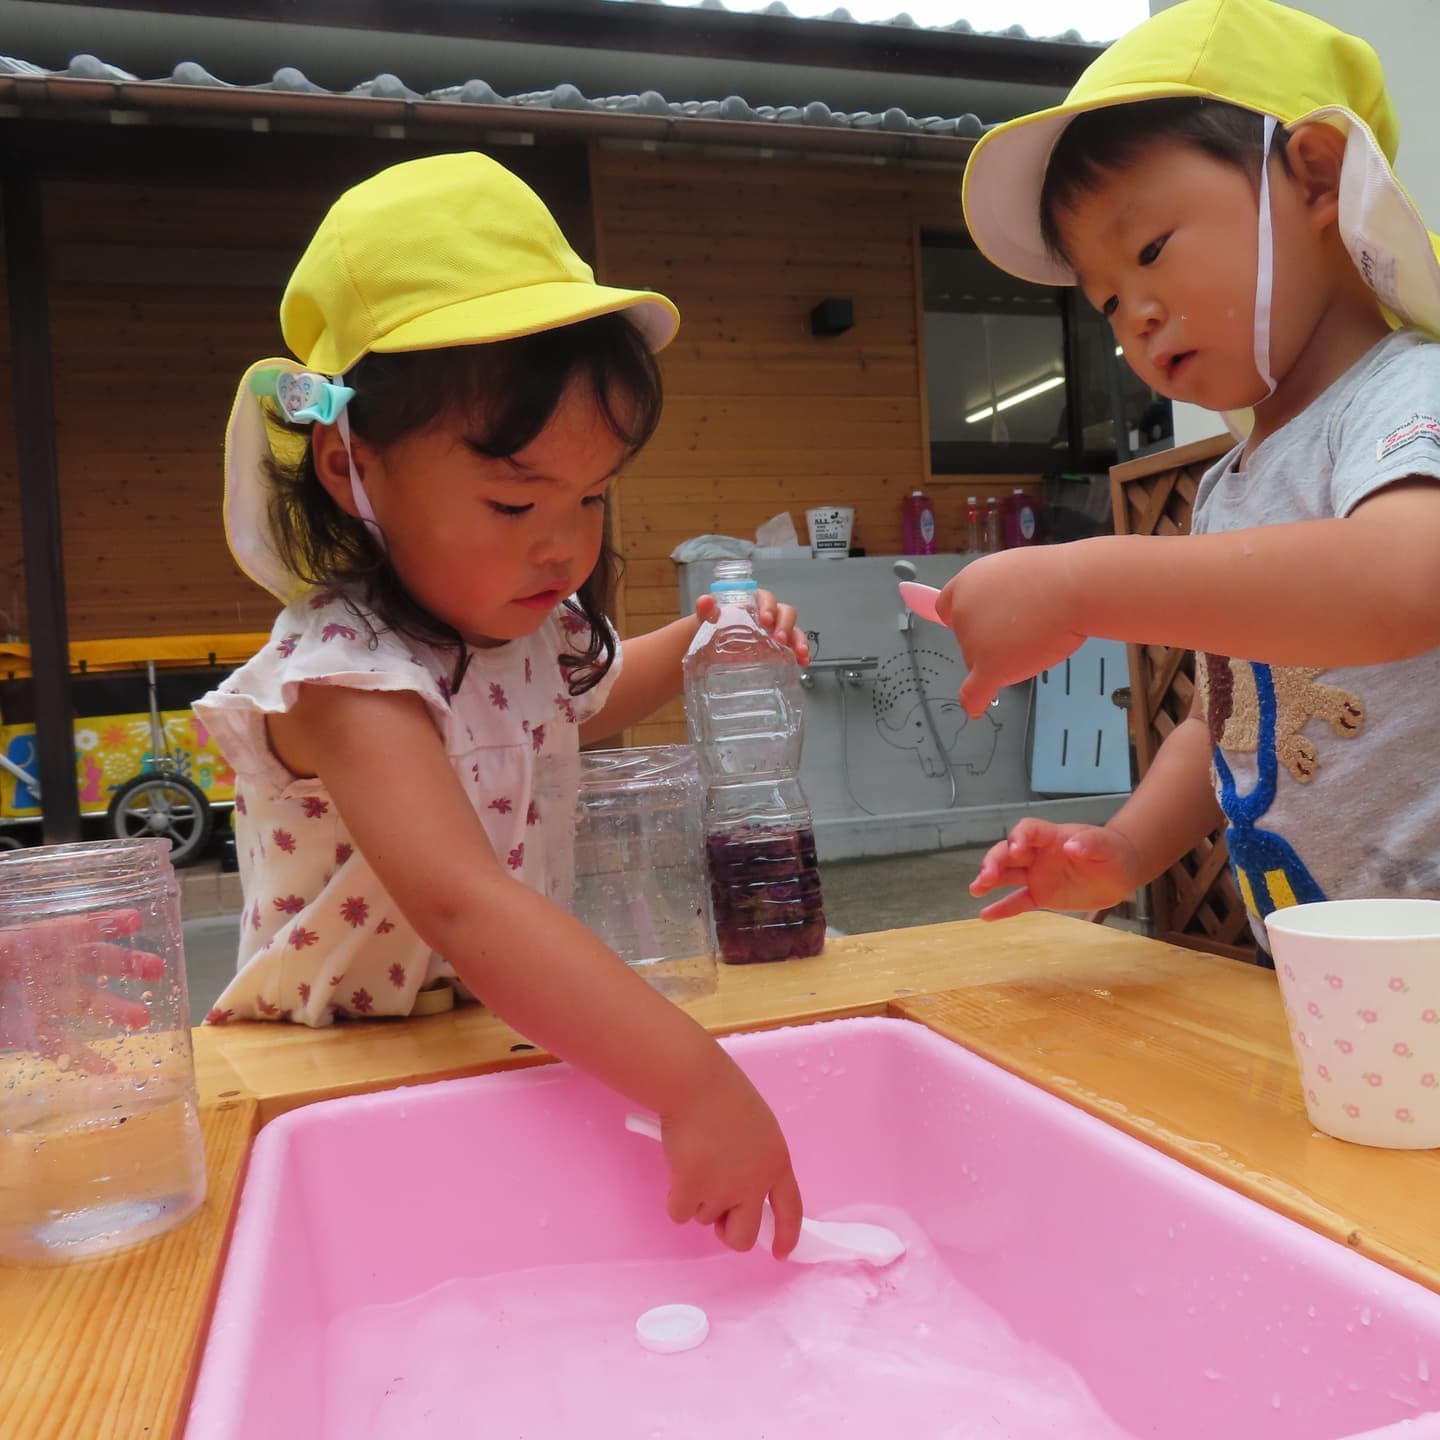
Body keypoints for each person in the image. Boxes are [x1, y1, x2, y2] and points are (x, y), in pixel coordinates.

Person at [193, 152, 809, 1254]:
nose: (564, 545)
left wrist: (707, 636)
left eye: (593, 497)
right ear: (349, 467)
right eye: (515, 502)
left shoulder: (520, 632)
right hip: (321, 1079)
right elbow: (463, 905)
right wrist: (693, 1081)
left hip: (479, 1040)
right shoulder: (345, 676)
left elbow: (579, 709)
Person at [945, 0, 1440, 941]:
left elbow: (1407, 581)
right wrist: (1125, 849)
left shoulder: (1409, 388)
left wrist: (1078, 583)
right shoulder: (1228, 487)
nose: (1133, 316)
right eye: (1107, 300)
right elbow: (1230, 718)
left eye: (1150, 251)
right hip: (1334, 976)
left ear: (1315, 176)